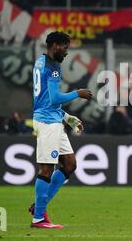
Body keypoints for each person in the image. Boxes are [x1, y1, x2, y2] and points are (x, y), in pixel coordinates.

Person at [29, 31, 93, 229]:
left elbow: (45, 101)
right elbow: (55, 98)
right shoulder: (53, 67)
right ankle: (38, 218)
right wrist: (77, 93)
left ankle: (39, 207)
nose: (66, 52)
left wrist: (69, 119)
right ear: (55, 45)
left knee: (70, 165)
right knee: (46, 169)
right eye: (65, 47)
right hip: (47, 124)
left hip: (52, 119)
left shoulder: (40, 62)